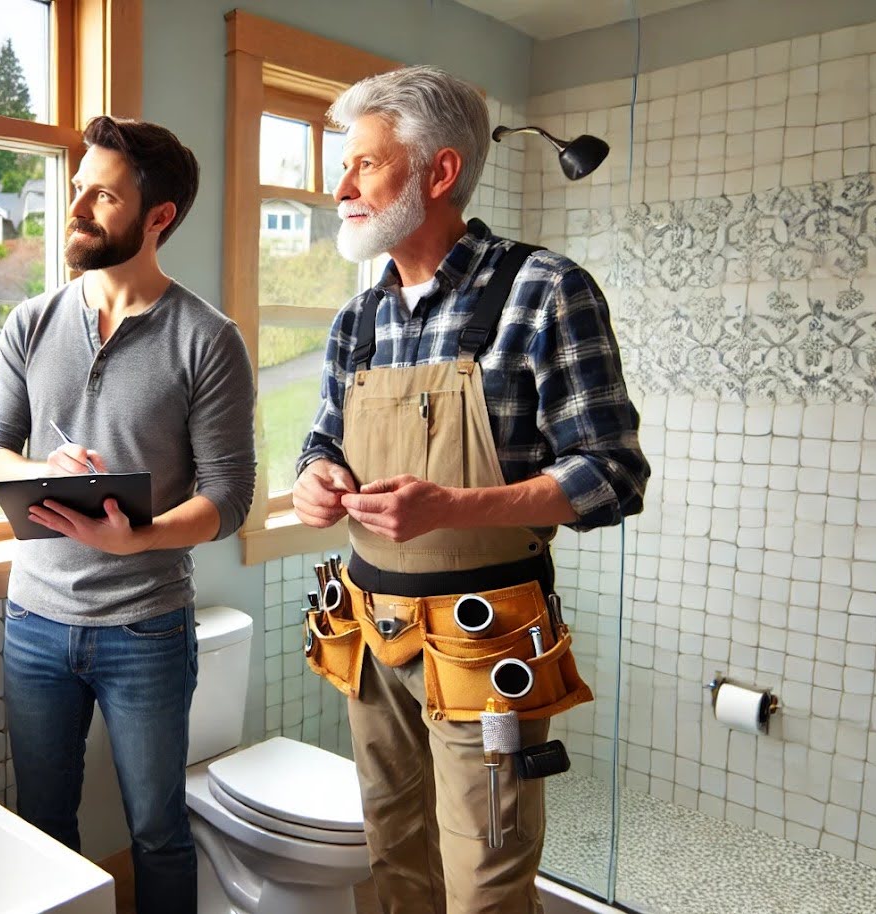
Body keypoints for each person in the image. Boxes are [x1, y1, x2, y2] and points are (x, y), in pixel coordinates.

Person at [293, 66, 649, 913]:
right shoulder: (358, 320)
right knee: (394, 855)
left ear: (438, 173)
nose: (341, 188)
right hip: (371, 634)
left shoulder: (544, 290)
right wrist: (314, 476)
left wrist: (454, 509)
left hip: (488, 647)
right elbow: (320, 440)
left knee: (487, 877)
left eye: (366, 166)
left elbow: (612, 473)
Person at [0, 115, 256, 914]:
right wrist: (37, 468)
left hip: (146, 630)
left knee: (158, 831)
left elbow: (229, 496)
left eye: (102, 196)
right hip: (34, 621)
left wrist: (143, 538)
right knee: (43, 824)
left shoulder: (207, 340)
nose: (77, 208)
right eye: (76, 191)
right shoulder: (31, 322)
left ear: (158, 216)